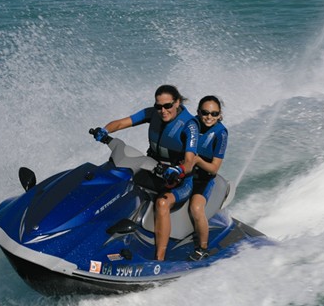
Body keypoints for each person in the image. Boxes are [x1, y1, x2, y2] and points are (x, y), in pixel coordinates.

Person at [93, 85, 199, 261]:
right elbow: (120, 123)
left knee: (162, 204)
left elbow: (189, 162)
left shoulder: (190, 125)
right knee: (120, 178)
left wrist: (177, 170)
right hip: (153, 167)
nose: (163, 111)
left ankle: (159, 258)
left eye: (168, 106)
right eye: (159, 106)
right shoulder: (152, 113)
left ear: (177, 102)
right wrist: (105, 130)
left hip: (180, 179)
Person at [188, 95, 228, 261]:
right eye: (205, 113)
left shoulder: (221, 133)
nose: (209, 117)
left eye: (214, 113)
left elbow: (214, 167)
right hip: (185, 173)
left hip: (204, 178)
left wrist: (197, 160)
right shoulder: (191, 125)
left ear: (219, 115)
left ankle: (202, 248)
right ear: (198, 112)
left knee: (196, 208)